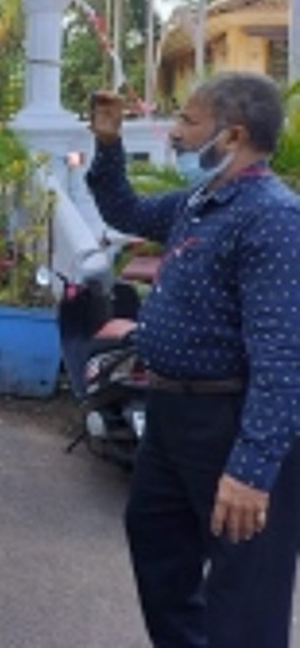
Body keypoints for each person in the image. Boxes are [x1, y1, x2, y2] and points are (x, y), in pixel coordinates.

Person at [87, 74, 300, 648]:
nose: (176, 133)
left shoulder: (273, 217)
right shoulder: (200, 201)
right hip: (171, 413)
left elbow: (284, 353)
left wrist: (253, 471)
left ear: (231, 136)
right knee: (158, 551)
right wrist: (108, 145)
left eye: (187, 121)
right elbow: (126, 209)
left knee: (246, 597)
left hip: (230, 419)